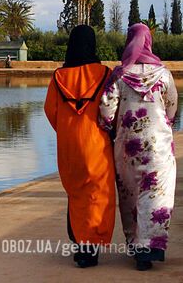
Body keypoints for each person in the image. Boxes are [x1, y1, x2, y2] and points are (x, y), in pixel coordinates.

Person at [99, 23, 177, 271]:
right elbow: (172, 107)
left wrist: (110, 125)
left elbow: (106, 111)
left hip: (127, 147)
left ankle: (136, 245)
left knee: (130, 194)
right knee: (156, 193)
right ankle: (151, 246)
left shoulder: (119, 75)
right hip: (158, 146)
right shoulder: (164, 74)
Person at [44, 25, 115, 268]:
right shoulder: (105, 74)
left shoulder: (58, 77)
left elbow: (49, 111)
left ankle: (79, 243)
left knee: (75, 194)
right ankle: (90, 246)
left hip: (69, 146)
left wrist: (66, 130)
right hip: (97, 144)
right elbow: (111, 109)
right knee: (97, 194)